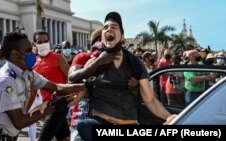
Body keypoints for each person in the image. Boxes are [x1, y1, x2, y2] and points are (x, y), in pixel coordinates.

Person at [69, 11, 176, 141]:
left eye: (114, 27)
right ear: (102, 36)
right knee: (83, 128)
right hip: (98, 124)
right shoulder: (94, 63)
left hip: (128, 124)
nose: (109, 30)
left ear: (122, 37)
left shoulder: (135, 64)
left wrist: (169, 117)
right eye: (105, 28)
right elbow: (75, 94)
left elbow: (150, 100)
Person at [0, 32, 86, 141]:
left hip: (8, 135)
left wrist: (84, 85)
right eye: (28, 51)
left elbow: (56, 88)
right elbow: (19, 122)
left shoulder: (27, 73)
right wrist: (54, 107)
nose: (32, 53)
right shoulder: (5, 80)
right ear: (15, 54)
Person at [32, 30, 70, 141]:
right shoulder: (33, 61)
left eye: (46, 41)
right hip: (45, 105)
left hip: (59, 103)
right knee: (64, 137)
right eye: (40, 42)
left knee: (43, 138)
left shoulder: (58, 58)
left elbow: (71, 79)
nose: (43, 44)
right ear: (34, 44)